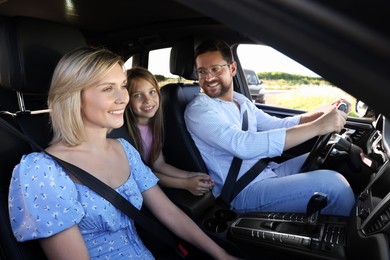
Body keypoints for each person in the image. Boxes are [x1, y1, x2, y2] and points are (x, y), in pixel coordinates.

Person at [8, 46, 238, 260]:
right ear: (74, 97)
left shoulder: (124, 149)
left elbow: (169, 212)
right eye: (108, 88)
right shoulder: (42, 170)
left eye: (123, 85)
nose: (123, 98)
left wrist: (221, 255)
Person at [184, 39, 355, 217]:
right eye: (202, 72)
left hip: (266, 171)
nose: (208, 78)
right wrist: (318, 127)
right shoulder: (199, 110)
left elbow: (277, 125)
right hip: (242, 190)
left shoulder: (240, 101)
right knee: (334, 186)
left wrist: (321, 112)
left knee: (333, 155)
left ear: (232, 69)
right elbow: (243, 145)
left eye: (215, 69)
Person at [125, 67, 214, 196]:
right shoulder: (125, 134)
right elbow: (144, 175)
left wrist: (190, 175)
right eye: (137, 95)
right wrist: (186, 184)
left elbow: (159, 165)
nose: (148, 100)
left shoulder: (154, 126)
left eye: (152, 92)